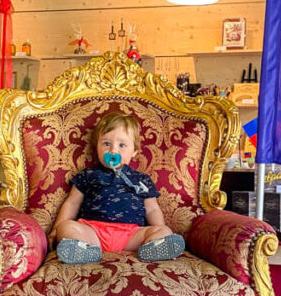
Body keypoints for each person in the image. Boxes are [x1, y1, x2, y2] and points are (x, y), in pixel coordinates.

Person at [49, 112, 185, 265]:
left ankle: (153, 247)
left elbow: (152, 209)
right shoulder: (88, 175)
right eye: (106, 144)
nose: (113, 151)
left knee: (164, 231)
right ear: (97, 147)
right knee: (66, 227)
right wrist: (56, 228)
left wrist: (160, 229)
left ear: (134, 151)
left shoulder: (141, 179)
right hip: (93, 232)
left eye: (122, 145)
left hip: (131, 236)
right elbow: (72, 203)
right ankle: (85, 251)